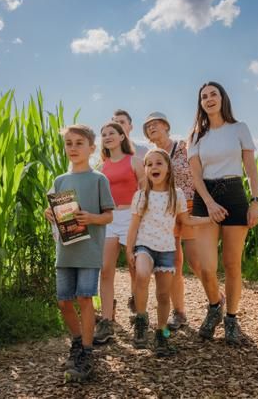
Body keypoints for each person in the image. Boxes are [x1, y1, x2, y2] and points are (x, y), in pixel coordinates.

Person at [187, 81, 258, 345]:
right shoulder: (195, 136)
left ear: (222, 98)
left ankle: (231, 319)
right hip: (205, 196)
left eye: (213, 94)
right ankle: (214, 306)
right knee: (206, 267)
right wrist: (209, 203)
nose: (208, 99)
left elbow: (251, 168)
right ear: (200, 103)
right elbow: (195, 175)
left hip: (234, 193)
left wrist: (255, 201)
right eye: (204, 96)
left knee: (232, 263)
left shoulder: (239, 129)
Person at [44, 124, 115, 382]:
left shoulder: (99, 180)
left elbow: (108, 215)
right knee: (63, 301)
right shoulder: (60, 181)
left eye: (79, 143)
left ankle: (87, 352)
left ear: (92, 148)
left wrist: (92, 218)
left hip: (89, 250)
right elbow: (54, 212)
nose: (73, 148)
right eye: (69, 143)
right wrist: (48, 213)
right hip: (66, 250)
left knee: (85, 298)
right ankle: (77, 342)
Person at [125, 149, 211, 357]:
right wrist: (130, 249)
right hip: (144, 245)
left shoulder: (177, 195)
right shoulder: (141, 196)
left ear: (168, 168)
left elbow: (186, 221)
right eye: (150, 164)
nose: (154, 167)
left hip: (166, 249)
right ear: (145, 170)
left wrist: (210, 219)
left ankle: (161, 334)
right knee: (143, 275)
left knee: (164, 295)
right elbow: (134, 226)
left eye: (159, 163)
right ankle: (141, 320)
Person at [142, 112, 199, 331]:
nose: (151, 128)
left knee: (197, 262)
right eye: (147, 127)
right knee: (174, 263)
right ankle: (180, 313)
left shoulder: (184, 147)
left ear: (166, 126)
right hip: (168, 212)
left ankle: (216, 298)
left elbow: (199, 173)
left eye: (155, 124)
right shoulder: (151, 156)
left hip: (192, 206)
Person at [94, 122, 144, 344]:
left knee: (135, 268)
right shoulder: (101, 166)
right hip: (110, 219)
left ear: (123, 136)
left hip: (131, 218)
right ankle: (106, 322)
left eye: (111, 133)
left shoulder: (134, 161)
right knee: (105, 270)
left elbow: (145, 191)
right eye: (103, 134)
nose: (107, 137)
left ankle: (140, 316)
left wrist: (141, 218)